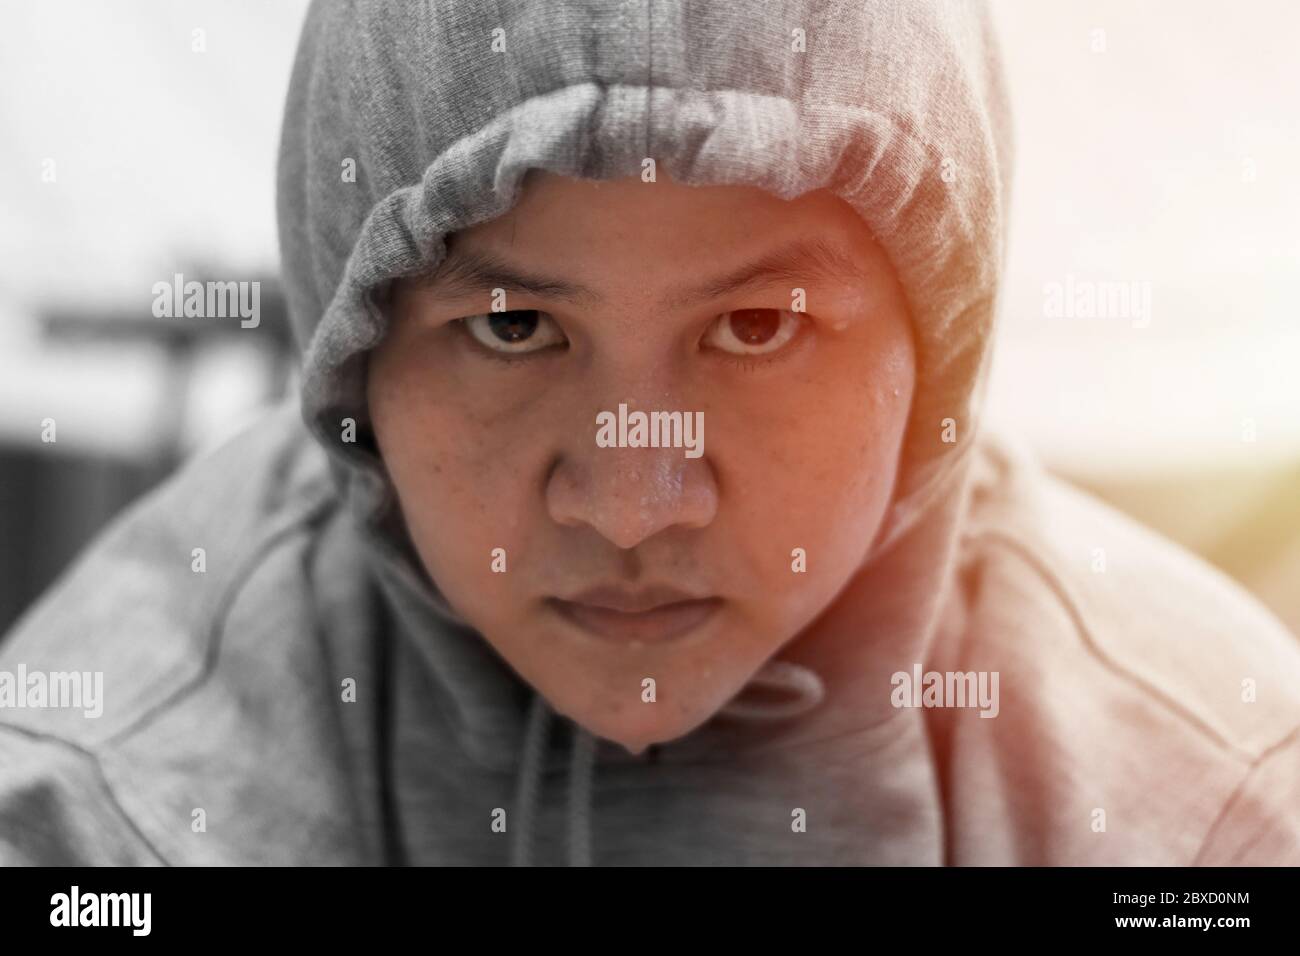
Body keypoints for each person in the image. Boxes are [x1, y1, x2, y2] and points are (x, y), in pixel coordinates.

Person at [2, 0, 1298, 866]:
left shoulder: (1209, 820)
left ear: (936, 346)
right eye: (513, 328)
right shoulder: (104, 818)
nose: (631, 504)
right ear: (356, 357)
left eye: (755, 330)